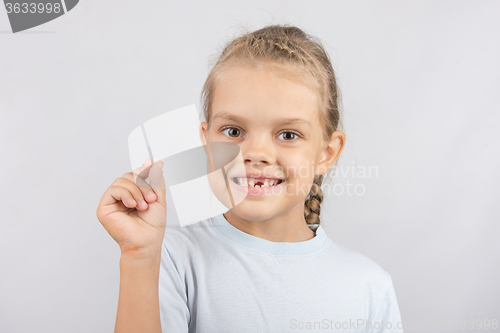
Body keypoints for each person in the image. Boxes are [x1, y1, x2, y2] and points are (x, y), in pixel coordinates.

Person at [96, 24, 404, 333]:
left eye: (287, 134)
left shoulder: (369, 288)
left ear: (326, 152)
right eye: (233, 131)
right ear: (207, 142)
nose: (256, 152)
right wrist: (140, 257)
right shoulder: (167, 257)